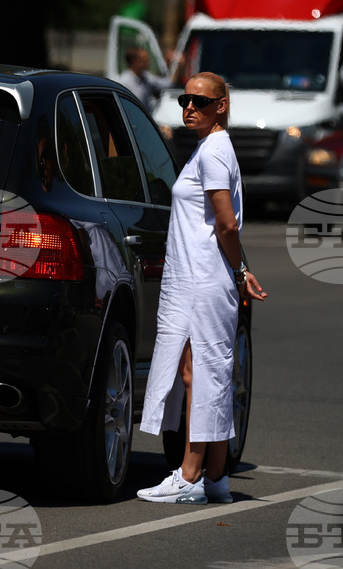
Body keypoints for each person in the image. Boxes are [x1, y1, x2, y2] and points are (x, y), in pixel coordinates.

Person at [136, 71, 267, 505]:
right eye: (184, 100)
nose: (190, 107)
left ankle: (190, 475)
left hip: (202, 280)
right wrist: (240, 269)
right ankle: (215, 477)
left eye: (200, 101)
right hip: (203, 278)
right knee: (203, 373)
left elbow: (226, 222)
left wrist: (239, 268)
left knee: (201, 374)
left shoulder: (213, 152)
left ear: (221, 106)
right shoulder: (214, 149)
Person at [117, 47, 174, 112]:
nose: (148, 62)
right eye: (144, 60)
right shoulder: (124, 82)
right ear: (135, 61)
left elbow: (167, 84)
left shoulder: (146, 77)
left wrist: (175, 65)